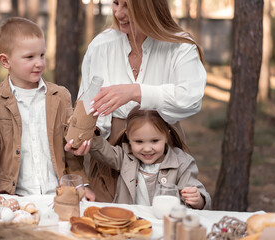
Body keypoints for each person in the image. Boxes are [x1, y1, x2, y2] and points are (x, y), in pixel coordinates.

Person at [66, 0, 207, 202]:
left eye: (127, 6)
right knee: (110, 221)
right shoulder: (101, 45)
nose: (118, 13)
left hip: (162, 147)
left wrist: (136, 92)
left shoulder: (179, 46)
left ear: (149, 7)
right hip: (110, 152)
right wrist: (84, 136)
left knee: (162, 216)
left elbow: (191, 98)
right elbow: (87, 105)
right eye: (115, 3)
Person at [0, 17, 95, 201]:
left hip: (59, 195)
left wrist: (81, 184)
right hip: (13, 197)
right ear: (5, 61)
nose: (39, 63)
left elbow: (70, 151)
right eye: (30, 57)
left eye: (42, 55)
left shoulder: (60, 96)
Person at [89, 106, 211, 209]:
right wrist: (91, 131)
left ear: (167, 136)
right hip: (130, 224)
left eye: (154, 141)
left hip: (165, 226)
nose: (147, 149)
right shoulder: (124, 157)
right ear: (128, 137)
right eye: (139, 141)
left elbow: (197, 193)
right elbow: (102, 150)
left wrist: (199, 199)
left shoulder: (182, 163)